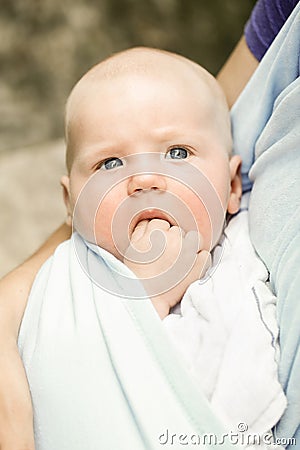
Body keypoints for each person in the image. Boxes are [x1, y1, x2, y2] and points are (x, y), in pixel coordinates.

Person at [0, 46, 287, 450]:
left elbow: (248, 408)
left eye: (177, 153)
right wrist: (143, 297)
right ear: (70, 204)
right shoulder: (57, 285)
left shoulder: (239, 273)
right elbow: (51, 383)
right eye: (110, 163)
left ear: (233, 186)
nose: (146, 179)